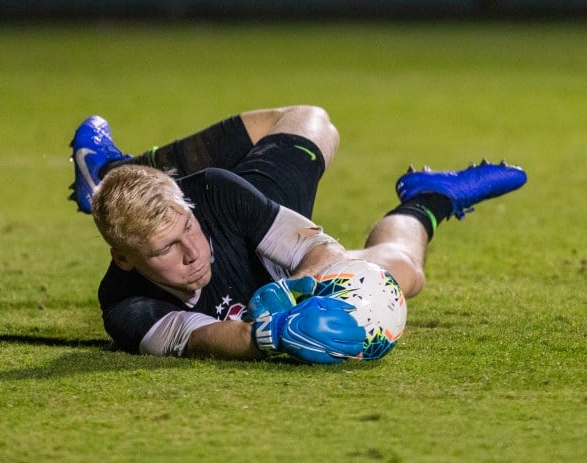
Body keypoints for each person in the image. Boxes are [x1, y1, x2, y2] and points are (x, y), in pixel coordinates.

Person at [69, 105, 527, 363]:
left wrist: (294, 286)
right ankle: (430, 199)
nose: (193, 250)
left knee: (312, 120)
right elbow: (204, 339)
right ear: (125, 258)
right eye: (167, 248)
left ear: (186, 205)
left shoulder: (212, 194)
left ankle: (114, 171)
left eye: (187, 227)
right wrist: (272, 333)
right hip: (272, 305)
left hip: (263, 232)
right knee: (405, 271)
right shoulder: (127, 307)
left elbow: (316, 247)